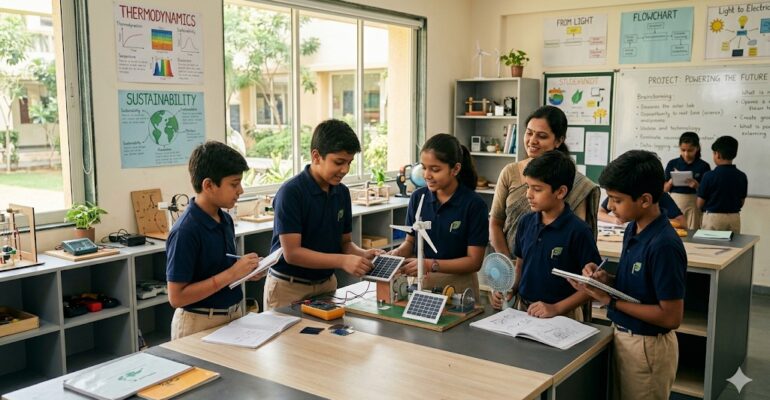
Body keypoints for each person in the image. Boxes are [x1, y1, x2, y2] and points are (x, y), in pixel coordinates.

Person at [571, 150, 686, 400]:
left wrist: (610, 300)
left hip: (648, 346)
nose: (610, 207)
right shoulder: (633, 227)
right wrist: (604, 281)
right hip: (624, 336)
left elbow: (670, 317)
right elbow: (636, 287)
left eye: (616, 199)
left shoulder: (664, 245)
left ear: (644, 200)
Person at [264, 119, 381, 310]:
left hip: (326, 285)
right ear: (316, 156)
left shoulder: (341, 192)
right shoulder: (291, 193)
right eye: (339, 162)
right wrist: (343, 261)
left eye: (349, 163)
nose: (345, 170)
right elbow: (292, 253)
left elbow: (344, 243)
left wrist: (363, 254)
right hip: (289, 288)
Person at [166, 141, 264, 340]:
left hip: (233, 317)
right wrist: (232, 273)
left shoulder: (225, 219)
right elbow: (176, 297)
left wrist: (245, 272)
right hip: (199, 323)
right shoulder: (185, 231)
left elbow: (220, 271)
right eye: (234, 184)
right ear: (208, 185)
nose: (241, 191)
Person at [490, 151, 600, 320]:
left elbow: (594, 287)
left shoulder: (578, 231)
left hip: (563, 316)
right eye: (528, 187)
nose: (528, 194)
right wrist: (509, 289)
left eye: (537, 189)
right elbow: (520, 266)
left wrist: (556, 308)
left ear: (561, 192)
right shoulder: (525, 222)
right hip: (524, 310)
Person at [489, 105, 600, 260]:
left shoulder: (575, 183)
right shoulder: (510, 172)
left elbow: (575, 234)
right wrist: (507, 264)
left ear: (559, 140)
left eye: (541, 136)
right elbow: (495, 222)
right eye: (529, 133)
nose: (532, 141)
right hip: (511, 267)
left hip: (552, 267)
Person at [390, 134, 488, 295]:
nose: (427, 175)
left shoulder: (474, 205)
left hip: (460, 288)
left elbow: (474, 261)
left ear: (455, 169)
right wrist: (397, 253)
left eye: (435, 169)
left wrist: (430, 265)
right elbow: (410, 241)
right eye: (424, 167)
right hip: (422, 285)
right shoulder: (417, 197)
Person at [697, 135, 748, 233]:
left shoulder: (709, 176)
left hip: (713, 218)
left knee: (711, 247)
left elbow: (699, 204)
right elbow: (741, 203)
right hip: (734, 218)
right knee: (733, 247)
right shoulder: (742, 176)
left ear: (718, 154)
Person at [663, 132, 711, 229]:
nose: (686, 153)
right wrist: (672, 180)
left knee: (692, 231)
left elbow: (707, 192)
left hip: (693, 203)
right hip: (674, 202)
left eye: (690, 150)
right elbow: (664, 190)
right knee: (674, 231)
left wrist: (697, 186)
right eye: (683, 150)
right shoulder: (672, 163)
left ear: (697, 148)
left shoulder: (703, 166)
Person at [599, 191, 686, 228]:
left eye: (617, 201)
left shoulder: (662, 196)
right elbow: (599, 213)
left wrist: (652, 221)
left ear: (645, 200)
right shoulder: (630, 231)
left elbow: (682, 222)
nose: (609, 206)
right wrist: (615, 220)